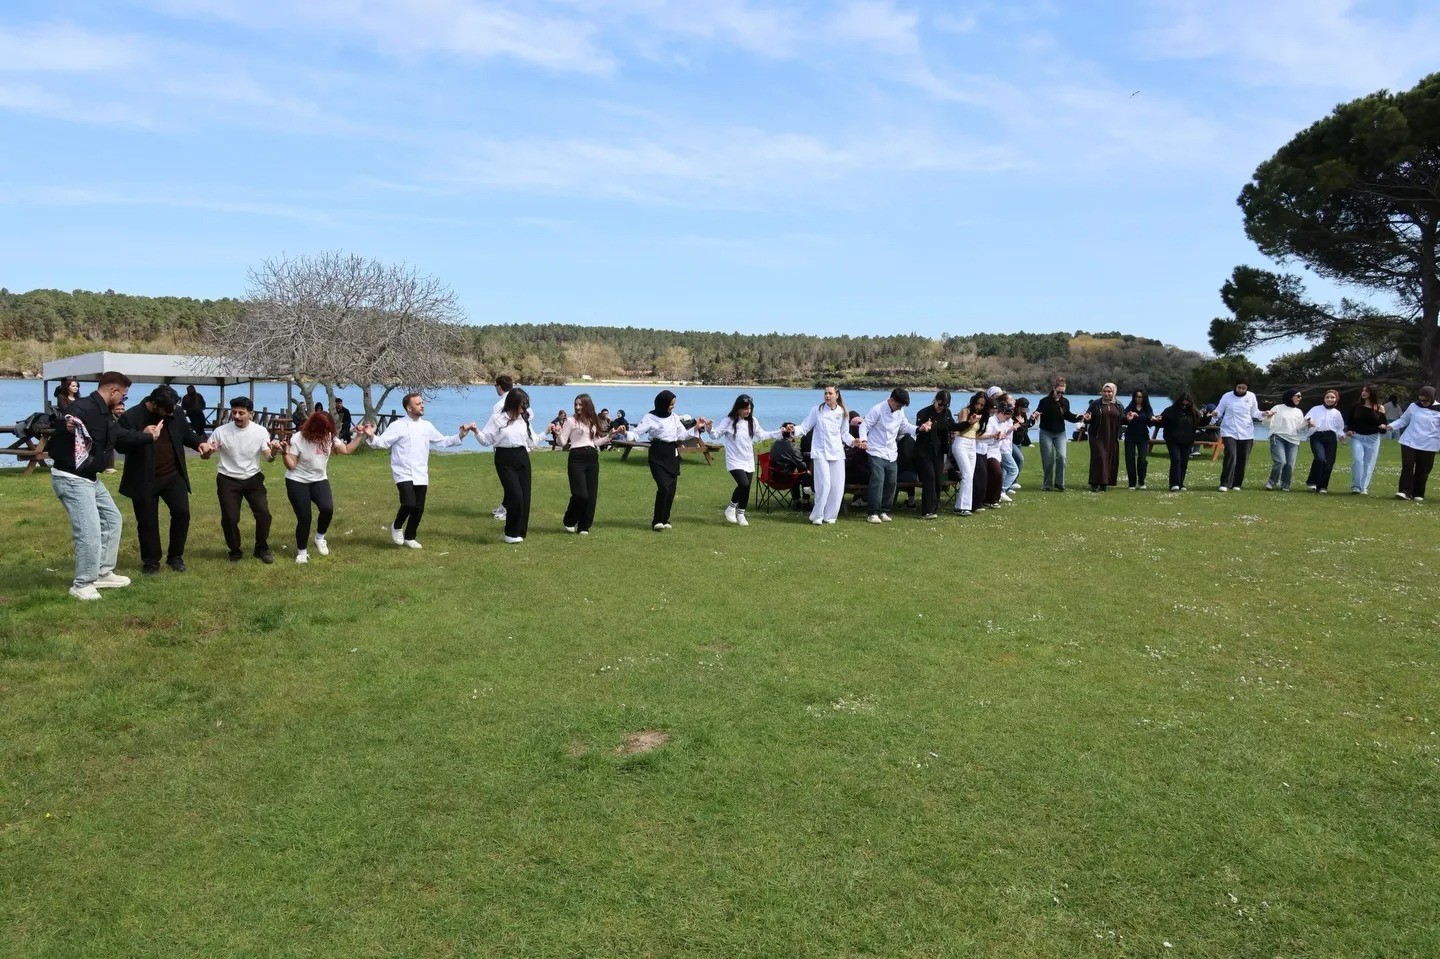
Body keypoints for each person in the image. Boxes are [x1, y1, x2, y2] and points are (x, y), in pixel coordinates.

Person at [48, 371, 136, 600]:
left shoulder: (104, 412)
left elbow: (118, 435)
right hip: (71, 478)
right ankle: (82, 584)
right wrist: (69, 425)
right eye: (123, 395)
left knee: (112, 519)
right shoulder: (82, 407)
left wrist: (146, 436)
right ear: (113, 390)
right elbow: (68, 420)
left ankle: (102, 573)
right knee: (89, 531)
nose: (123, 400)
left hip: (90, 478)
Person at [115, 385, 205, 575]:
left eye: (173, 410)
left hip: (173, 475)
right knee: (147, 522)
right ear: (154, 404)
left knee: (182, 514)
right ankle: (151, 562)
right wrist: (142, 435)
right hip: (144, 478)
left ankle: (175, 557)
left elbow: (186, 434)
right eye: (166, 411)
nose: (170, 414)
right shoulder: (131, 417)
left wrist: (200, 443)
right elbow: (119, 444)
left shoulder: (175, 412)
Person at [361, 392, 469, 549]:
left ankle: (410, 537)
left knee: (418, 509)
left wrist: (461, 435)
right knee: (409, 504)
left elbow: (443, 441)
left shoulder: (427, 426)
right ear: (409, 408)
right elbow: (383, 442)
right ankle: (397, 526)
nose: (422, 406)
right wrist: (371, 435)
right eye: (418, 404)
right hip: (403, 472)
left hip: (421, 473)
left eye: (422, 403)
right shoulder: (398, 425)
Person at [202, 396, 283, 563]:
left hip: (253, 478)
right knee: (230, 518)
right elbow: (205, 456)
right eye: (234, 413)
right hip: (227, 479)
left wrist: (274, 452)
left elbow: (268, 457)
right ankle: (235, 551)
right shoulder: (221, 431)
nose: (237, 416)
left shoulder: (260, 431)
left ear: (250, 414)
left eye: (241, 413)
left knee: (264, 514)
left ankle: (261, 548)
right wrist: (209, 451)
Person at [282, 409, 364, 563]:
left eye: (328, 430)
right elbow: (291, 466)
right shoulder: (298, 438)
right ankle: (302, 552)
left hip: (319, 480)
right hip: (297, 481)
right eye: (323, 430)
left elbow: (346, 450)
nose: (325, 433)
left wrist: (359, 435)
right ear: (313, 427)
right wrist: (284, 454)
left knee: (327, 509)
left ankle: (320, 538)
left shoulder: (329, 436)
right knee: (305, 517)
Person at [475, 388, 545, 543]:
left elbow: (532, 441)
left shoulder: (524, 419)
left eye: (526, 404)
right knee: (515, 495)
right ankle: (510, 533)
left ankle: (520, 532)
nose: (525, 407)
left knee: (525, 496)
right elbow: (486, 440)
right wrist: (476, 431)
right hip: (504, 458)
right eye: (522, 404)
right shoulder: (498, 419)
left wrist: (546, 431)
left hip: (522, 456)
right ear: (513, 403)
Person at [634, 390, 709, 530]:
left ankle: (665, 519)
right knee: (663, 487)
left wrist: (696, 427)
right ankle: (657, 520)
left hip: (672, 454)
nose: (673, 406)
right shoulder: (650, 417)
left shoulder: (674, 417)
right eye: (671, 404)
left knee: (671, 489)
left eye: (674, 404)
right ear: (663, 403)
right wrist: (625, 433)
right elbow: (636, 432)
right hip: (657, 453)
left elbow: (682, 435)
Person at [708, 393, 786, 527]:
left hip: (747, 459)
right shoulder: (728, 421)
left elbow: (762, 435)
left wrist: (780, 432)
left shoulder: (752, 421)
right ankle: (731, 508)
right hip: (734, 459)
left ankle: (741, 514)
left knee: (746, 488)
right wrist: (710, 428)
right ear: (738, 408)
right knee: (743, 483)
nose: (748, 411)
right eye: (745, 408)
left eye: (749, 408)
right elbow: (715, 435)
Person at [857, 388, 928, 523]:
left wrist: (919, 429)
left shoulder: (900, 411)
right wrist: (864, 440)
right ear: (891, 400)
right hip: (875, 450)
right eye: (898, 405)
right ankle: (873, 513)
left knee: (891, 482)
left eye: (902, 406)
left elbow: (905, 426)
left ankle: (884, 510)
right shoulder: (877, 409)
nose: (900, 408)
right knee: (878, 481)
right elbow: (864, 426)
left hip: (891, 452)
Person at [793, 386, 861, 525]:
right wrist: (793, 430)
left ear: (837, 395)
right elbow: (805, 426)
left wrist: (853, 441)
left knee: (837, 487)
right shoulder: (817, 410)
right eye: (825, 393)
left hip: (837, 453)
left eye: (830, 393)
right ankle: (817, 516)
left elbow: (844, 433)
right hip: (820, 452)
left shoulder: (842, 412)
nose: (827, 396)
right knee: (824, 485)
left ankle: (830, 516)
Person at [554, 393, 608, 535]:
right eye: (576, 404)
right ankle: (569, 520)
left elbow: (595, 442)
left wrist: (610, 436)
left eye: (580, 404)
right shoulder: (570, 421)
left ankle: (584, 526)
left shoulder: (592, 420)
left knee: (591, 495)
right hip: (576, 457)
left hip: (592, 457)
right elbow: (563, 442)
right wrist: (558, 434)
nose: (577, 407)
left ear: (587, 405)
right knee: (580, 494)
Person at [1384, 386, 1440, 501]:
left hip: (1429, 443)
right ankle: (1405, 491)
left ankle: (1418, 493)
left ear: (1432, 398)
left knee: (1423, 469)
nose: (1422, 402)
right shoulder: (1414, 406)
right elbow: (1404, 420)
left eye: (1425, 400)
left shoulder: (1438, 409)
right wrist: (1392, 426)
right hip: (1410, 441)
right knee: (1407, 466)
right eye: (1421, 400)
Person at [1214, 379, 1263, 491]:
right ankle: (1225, 483)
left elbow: (1255, 413)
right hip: (1229, 430)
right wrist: (1215, 413)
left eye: (1243, 388)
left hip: (1246, 431)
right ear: (1235, 387)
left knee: (1243, 458)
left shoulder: (1251, 396)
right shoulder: (1227, 396)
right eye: (1239, 388)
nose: (1241, 390)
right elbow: (1219, 411)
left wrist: (1264, 414)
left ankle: (1237, 483)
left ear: (1247, 388)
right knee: (1231, 455)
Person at [1034, 375, 1081, 491]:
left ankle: (1060, 483)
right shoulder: (1044, 401)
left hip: (1060, 433)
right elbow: (1037, 412)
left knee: (1062, 457)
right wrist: (1035, 415)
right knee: (1048, 460)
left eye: (1063, 392)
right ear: (1054, 389)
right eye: (1059, 392)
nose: (1060, 394)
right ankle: (1047, 485)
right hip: (1046, 433)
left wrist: (1079, 417)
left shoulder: (1065, 402)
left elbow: (1067, 415)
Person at [913, 391, 954, 519]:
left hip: (939, 451)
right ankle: (927, 511)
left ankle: (934, 508)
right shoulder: (924, 412)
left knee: (937, 479)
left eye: (945, 405)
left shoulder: (946, 413)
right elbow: (918, 428)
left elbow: (953, 426)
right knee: (929, 477)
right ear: (935, 400)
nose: (941, 407)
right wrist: (926, 426)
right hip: (924, 451)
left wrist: (968, 422)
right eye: (940, 404)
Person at [949, 392, 986, 516]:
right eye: (977, 403)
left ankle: (962, 506)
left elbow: (977, 434)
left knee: (970, 475)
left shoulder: (981, 415)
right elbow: (961, 427)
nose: (979, 407)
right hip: (961, 443)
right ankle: (962, 507)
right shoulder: (965, 411)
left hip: (972, 445)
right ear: (973, 402)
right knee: (967, 475)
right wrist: (971, 422)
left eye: (982, 405)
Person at [1346, 384, 1387, 495]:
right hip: (1357, 437)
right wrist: (1349, 430)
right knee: (1357, 460)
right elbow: (1350, 421)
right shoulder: (1356, 407)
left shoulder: (1379, 408)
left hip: (1373, 438)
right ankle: (1356, 486)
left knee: (1368, 463)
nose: (1363, 393)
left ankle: (1363, 487)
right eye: (1362, 390)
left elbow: (1383, 425)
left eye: (1366, 391)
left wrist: (1383, 427)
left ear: (1372, 393)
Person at [1263, 389, 1306, 492]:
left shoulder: (1298, 412)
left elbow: (1299, 429)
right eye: (1298, 396)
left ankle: (1285, 484)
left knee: (1290, 464)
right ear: (1291, 397)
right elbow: (1266, 423)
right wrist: (1268, 417)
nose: (1300, 398)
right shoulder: (1278, 408)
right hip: (1278, 437)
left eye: (1300, 397)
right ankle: (1272, 482)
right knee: (1281, 461)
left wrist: (1306, 424)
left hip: (1293, 440)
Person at [1304, 389, 1346, 494]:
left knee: (1329, 463)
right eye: (1327, 397)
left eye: (1332, 397)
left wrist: (1342, 436)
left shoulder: (1337, 413)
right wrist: (1309, 422)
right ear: (1324, 398)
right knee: (1320, 459)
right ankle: (1312, 482)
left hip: (1330, 437)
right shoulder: (1315, 409)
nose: (1329, 399)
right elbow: (1306, 419)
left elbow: (1339, 428)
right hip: (1317, 436)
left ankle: (1322, 486)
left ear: (1336, 399)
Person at [1081, 383, 1122, 492]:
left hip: (1112, 437)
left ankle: (1104, 483)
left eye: (1109, 391)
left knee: (1109, 459)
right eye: (1104, 391)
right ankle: (1094, 483)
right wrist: (1087, 418)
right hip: (1097, 436)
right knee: (1099, 458)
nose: (1106, 393)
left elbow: (1122, 420)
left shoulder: (1118, 405)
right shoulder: (1095, 404)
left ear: (1113, 392)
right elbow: (1087, 418)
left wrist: (1129, 418)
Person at [1157, 393, 1201, 490]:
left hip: (1187, 440)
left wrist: (1208, 416)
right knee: (1176, 459)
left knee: (1184, 461)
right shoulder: (1170, 411)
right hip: (1172, 439)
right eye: (1182, 404)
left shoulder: (1194, 412)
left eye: (1187, 404)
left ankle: (1180, 483)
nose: (1184, 406)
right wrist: (1158, 420)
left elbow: (1200, 422)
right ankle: (1174, 484)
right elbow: (1161, 422)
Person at [490, 374, 514, 521]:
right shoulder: (520, 399)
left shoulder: (499, 405)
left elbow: (495, 426)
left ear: (499, 386)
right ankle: (505, 505)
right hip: (517, 445)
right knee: (509, 481)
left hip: (504, 446)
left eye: (495, 386)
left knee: (508, 481)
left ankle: (507, 509)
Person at [769, 424, 810, 510]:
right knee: (806, 474)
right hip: (786, 479)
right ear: (792, 434)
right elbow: (801, 464)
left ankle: (796, 501)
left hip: (773, 477)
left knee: (795, 473)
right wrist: (807, 469)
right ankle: (805, 502)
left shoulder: (775, 444)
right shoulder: (793, 448)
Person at [1121, 388, 1154, 490]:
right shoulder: (1130, 407)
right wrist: (1128, 418)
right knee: (1130, 460)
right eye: (1136, 397)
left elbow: (1150, 423)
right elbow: (1123, 420)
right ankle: (1132, 483)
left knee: (1142, 460)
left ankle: (1141, 481)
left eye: (1140, 397)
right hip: (1130, 436)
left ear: (1144, 398)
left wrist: (1153, 419)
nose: (1138, 399)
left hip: (1143, 437)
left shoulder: (1147, 409)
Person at [1003, 397, 1031, 494]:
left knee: (1015, 462)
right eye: (1022, 408)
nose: (1024, 411)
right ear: (1018, 407)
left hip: (1019, 442)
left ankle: (1010, 483)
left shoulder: (1024, 416)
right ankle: (1008, 483)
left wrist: (1032, 419)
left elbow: (1027, 426)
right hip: (1011, 442)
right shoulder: (1012, 416)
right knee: (1020, 459)